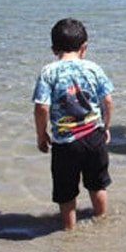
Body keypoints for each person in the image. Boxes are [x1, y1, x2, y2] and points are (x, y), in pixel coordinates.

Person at [33, 18, 114, 230]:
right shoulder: (93, 68)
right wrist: (105, 127)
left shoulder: (48, 72)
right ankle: (101, 220)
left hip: (65, 142)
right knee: (98, 184)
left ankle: (69, 230)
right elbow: (107, 100)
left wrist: (41, 135)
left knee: (65, 191)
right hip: (94, 136)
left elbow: (41, 107)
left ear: (53, 49)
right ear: (84, 47)